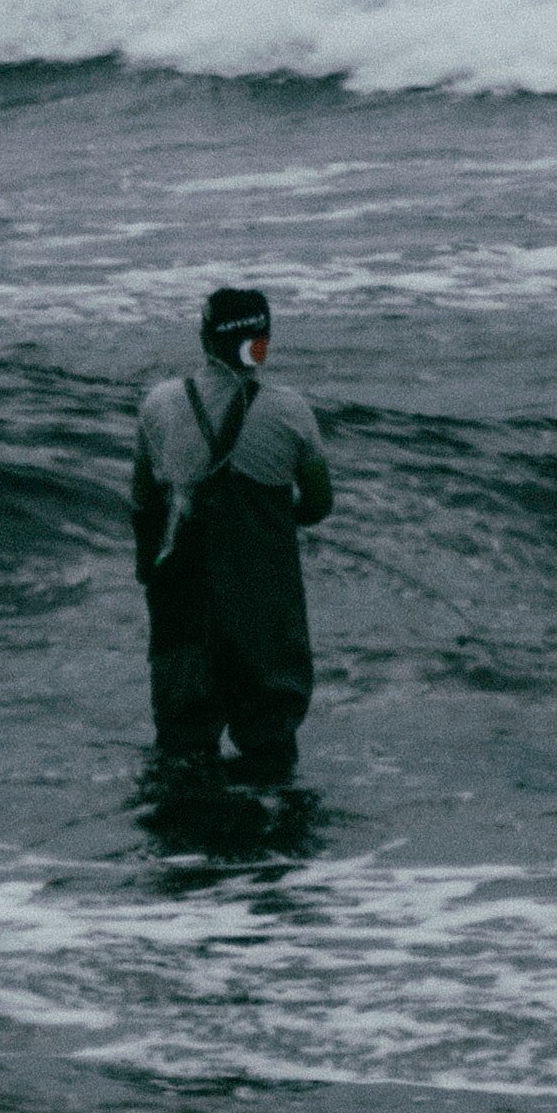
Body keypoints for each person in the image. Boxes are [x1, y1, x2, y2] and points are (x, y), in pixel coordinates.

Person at [132, 283, 332, 780]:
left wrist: (150, 571)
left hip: (182, 593)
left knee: (182, 745)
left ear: (203, 338)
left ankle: (184, 843)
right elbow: (319, 503)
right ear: (262, 341)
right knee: (268, 743)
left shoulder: (159, 404)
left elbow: (143, 503)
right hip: (260, 598)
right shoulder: (291, 411)